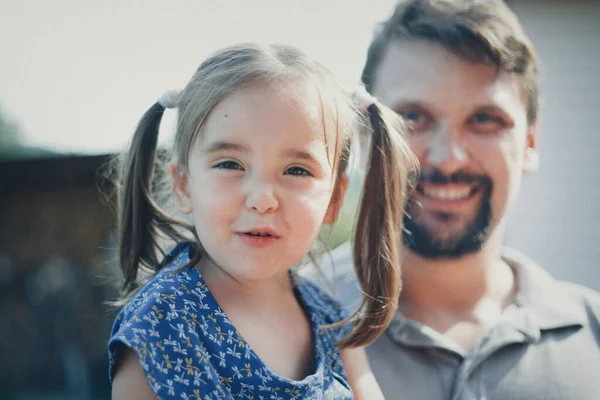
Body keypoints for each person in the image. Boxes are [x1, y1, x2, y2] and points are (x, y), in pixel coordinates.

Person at [305, 0, 600, 399]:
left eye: (484, 119)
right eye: (412, 117)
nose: (448, 158)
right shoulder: (284, 321)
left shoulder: (593, 334)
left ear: (530, 141)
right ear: (364, 135)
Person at [107, 43, 416, 399]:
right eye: (230, 164)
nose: (262, 199)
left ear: (334, 200)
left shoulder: (330, 319)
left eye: (296, 170)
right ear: (184, 185)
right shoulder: (161, 324)